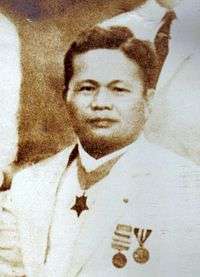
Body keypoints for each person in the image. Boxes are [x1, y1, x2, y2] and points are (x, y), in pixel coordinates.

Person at [8, 12, 200, 276]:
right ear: (67, 96)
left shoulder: (185, 185)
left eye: (119, 90)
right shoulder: (29, 185)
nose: (100, 103)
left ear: (147, 100)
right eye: (87, 88)